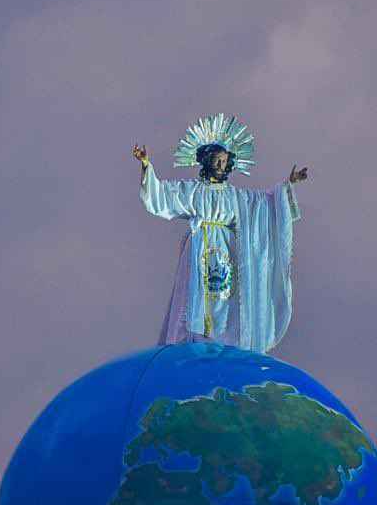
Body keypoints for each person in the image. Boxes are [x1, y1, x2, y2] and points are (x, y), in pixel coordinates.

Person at [132, 113, 308, 354]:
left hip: (228, 253)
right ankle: (193, 338)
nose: (220, 165)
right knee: (196, 298)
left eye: (224, 161)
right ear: (206, 161)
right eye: (216, 160)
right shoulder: (193, 192)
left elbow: (264, 204)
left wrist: (288, 185)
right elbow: (162, 196)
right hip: (200, 252)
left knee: (227, 303)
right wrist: (146, 165)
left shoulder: (236, 197)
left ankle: (228, 338)